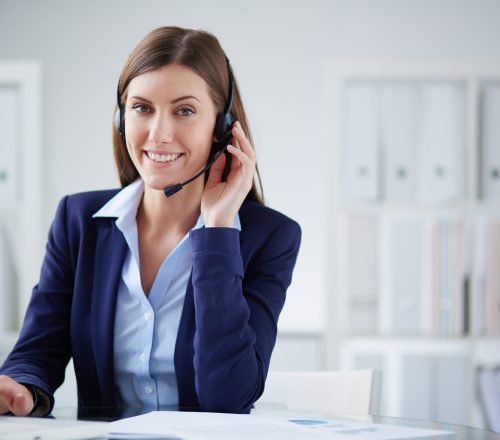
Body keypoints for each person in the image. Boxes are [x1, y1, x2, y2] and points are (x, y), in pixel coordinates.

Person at [0, 26, 301, 417]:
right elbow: (36, 352)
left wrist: (219, 229)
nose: (158, 134)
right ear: (121, 118)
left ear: (222, 127)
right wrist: (21, 387)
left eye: (185, 111)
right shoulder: (78, 221)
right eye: (142, 108)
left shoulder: (270, 237)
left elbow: (229, 396)